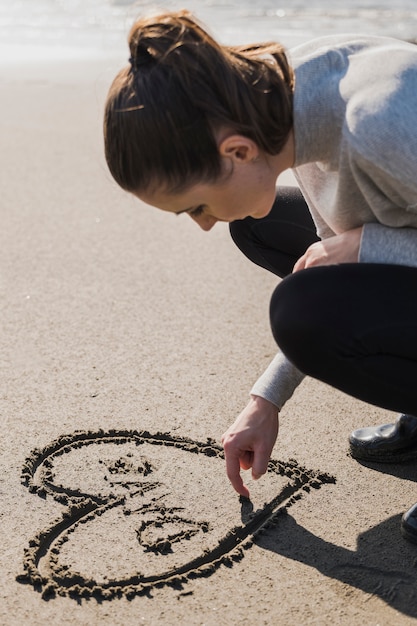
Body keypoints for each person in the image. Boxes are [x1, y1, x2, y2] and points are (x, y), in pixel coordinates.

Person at [103, 10, 417, 543]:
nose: (203, 224)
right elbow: (334, 267)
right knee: (262, 228)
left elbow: (333, 285)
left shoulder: (381, 124)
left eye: (196, 205)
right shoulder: (287, 103)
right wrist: (264, 401)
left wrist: (366, 245)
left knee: (302, 310)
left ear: (238, 151)